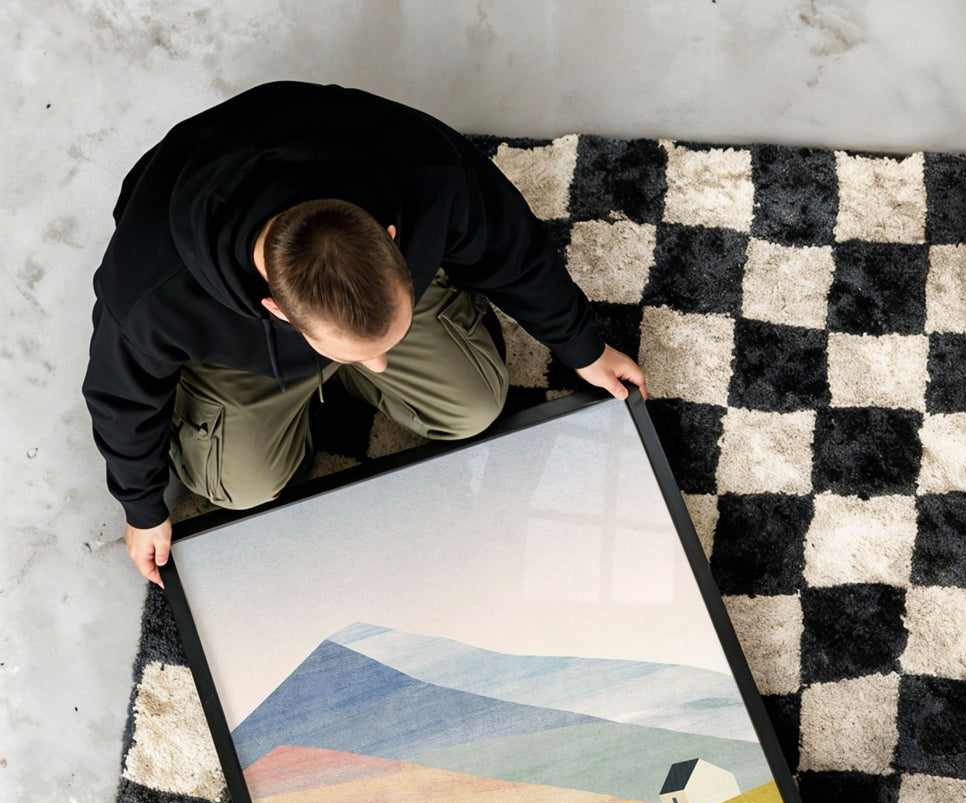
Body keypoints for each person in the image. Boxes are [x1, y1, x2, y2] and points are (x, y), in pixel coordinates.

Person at [83, 81, 648, 587]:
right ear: (278, 312)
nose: (379, 365)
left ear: (393, 238)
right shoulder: (151, 293)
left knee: (474, 407)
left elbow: (514, 252)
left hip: (357, 274)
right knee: (241, 488)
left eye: (385, 345)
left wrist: (583, 346)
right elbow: (120, 396)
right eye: (360, 356)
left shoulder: (427, 168)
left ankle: (373, 332)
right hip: (236, 357)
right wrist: (141, 507)